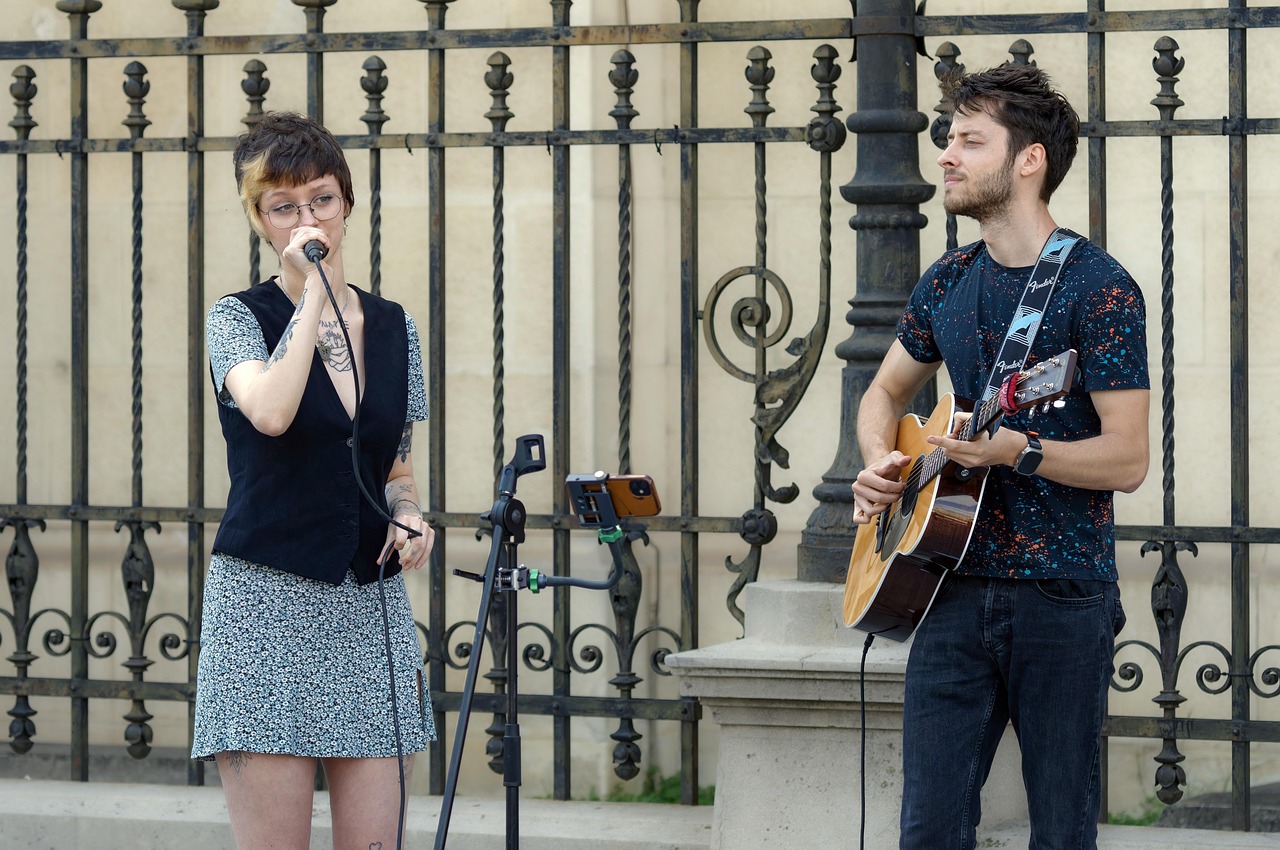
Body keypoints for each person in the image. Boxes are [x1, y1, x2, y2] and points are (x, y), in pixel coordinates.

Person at [851, 64, 1150, 849]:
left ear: (1029, 160)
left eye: (969, 141)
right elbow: (881, 396)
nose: (946, 155)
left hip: (1062, 596)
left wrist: (1021, 451)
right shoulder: (946, 281)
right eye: (949, 138)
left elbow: (1127, 458)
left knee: (1061, 832)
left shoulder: (1099, 288)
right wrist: (881, 462)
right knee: (929, 829)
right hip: (944, 588)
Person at [192, 111, 436, 849]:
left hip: (369, 608)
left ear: (347, 203)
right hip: (266, 608)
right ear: (263, 222)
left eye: (321, 199)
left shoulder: (395, 327)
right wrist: (312, 299)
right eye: (285, 207)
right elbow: (268, 410)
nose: (308, 218)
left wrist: (409, 513)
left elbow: (394, 460)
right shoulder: (237, 318)